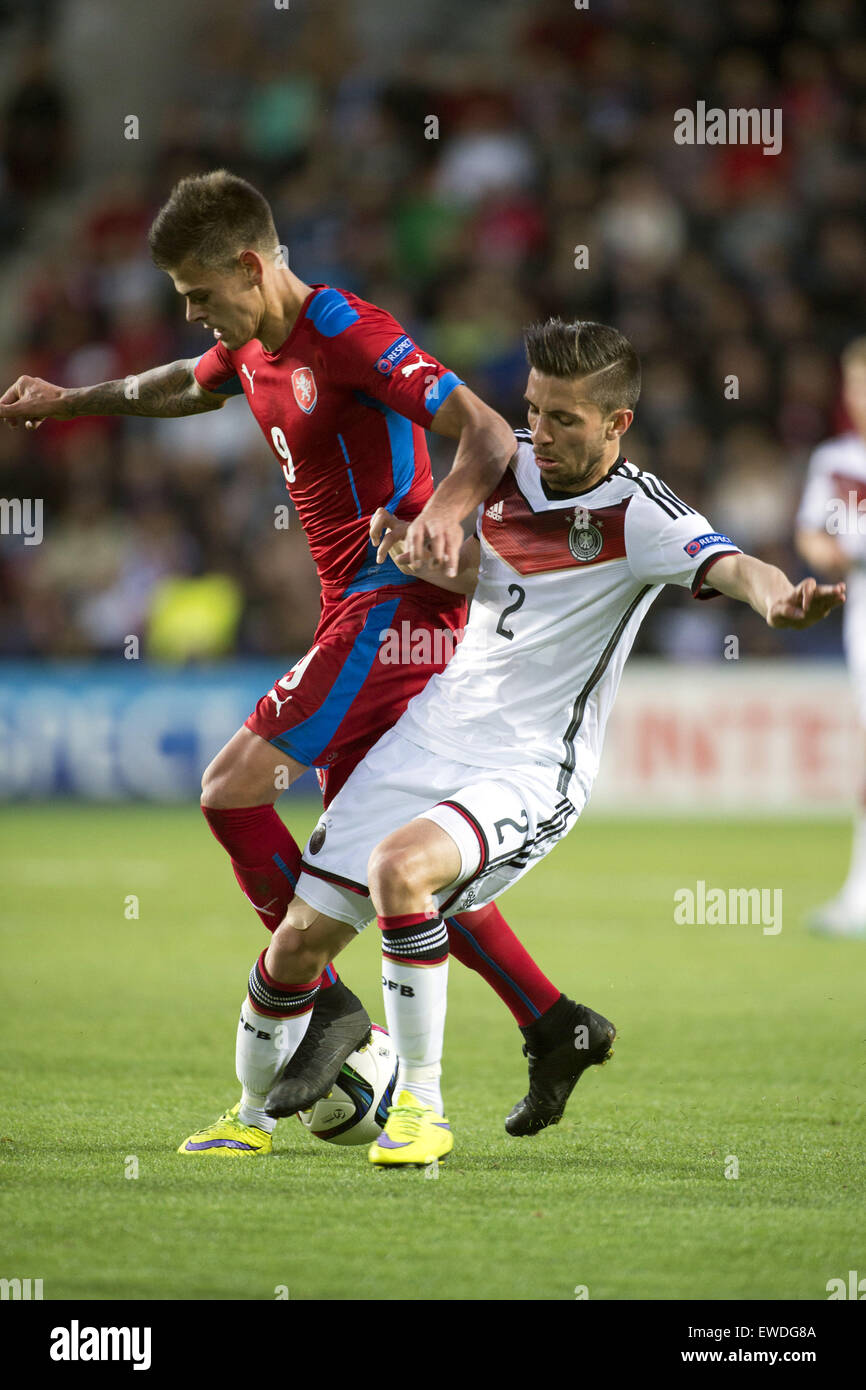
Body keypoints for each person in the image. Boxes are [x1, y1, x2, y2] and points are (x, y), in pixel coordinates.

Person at [0, 170, 578, 1155]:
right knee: (382, 853)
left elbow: (480, 428)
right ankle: (552, 1021)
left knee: (230, 789)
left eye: (197, 294)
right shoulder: (247, 345)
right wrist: (70, 403)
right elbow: (182, 384)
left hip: (394, 607)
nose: (191, 314)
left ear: (249, 263)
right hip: (350, 613)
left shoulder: (345, 329)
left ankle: (322, 1005)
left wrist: (437, 516)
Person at [253, 318, 845, 1166]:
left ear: (617, 424)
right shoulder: (506, 466)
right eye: (534, 411)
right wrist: (413, 547)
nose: (543, 434)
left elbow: (737, 566)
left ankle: (422, 1107)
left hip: (531, 767)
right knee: (300, 940)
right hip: (432, 732)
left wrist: (781, 600)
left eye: (566, 418)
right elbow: (492, 574)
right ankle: (259, 1113)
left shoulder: (641, 516)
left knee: (404, 872)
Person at [796, 337, 866, 938]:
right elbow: (811, 535)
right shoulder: (837, 460)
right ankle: (860, 894)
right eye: (854, 385)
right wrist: (834, 553)